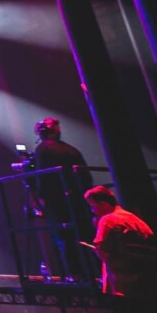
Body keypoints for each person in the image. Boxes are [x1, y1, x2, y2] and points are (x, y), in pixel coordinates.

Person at [31, 118, 93, 279]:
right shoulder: (72, 150)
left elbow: (42, 178)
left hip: (57, 203)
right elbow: (86, 177)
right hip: (79, 200)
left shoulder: (43, 149)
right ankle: (94, 273)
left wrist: (42, 200)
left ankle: (74, 275)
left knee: (64, 239)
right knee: (85, 237)